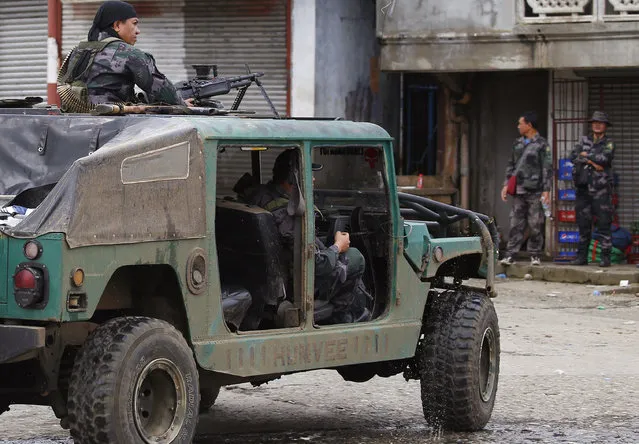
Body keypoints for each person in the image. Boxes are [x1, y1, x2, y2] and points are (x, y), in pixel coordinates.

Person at [245, 149, 371, 324]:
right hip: (295, 281)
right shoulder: (287, 214)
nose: (313, 179)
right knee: (355, 257)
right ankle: (343, 318)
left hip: (263, 278)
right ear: (293, 178)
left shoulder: (260, 196)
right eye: (308, 173)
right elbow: (318, 266)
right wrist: (338, 246)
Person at [57, 1, 187, 112]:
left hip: (75, 122)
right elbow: (163, 92)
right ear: (117, 25)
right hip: (113, 126)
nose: (138, 30)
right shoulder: (129, 53)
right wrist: (184, 104)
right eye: (134, 23)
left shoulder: (79, 50)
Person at [500, 111, 552, 266]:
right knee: (515, 222)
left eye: (520, 123)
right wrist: (505, 185)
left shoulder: (542, 144)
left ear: (529, 125)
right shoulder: (517, 144)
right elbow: (511, 165)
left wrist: (546, 190)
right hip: (519, 189)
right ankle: (511, 254)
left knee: (535, 223)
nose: (518, 126)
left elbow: (547, 168)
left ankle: (535, 254)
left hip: (535, 190)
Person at [569, 111, 615, 268]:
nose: (597, 124)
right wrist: (594, 162)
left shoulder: (608, 142)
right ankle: (582, 257)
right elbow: (572, 156)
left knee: (603, 224)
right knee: (583, 224)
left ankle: (605, 258)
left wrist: (586, 156)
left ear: (605, 126)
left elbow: (606, 158)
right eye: (594, 122)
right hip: (583, 189)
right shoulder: (584, 140)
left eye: (600, 122)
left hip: (601, 190)